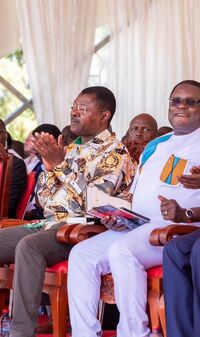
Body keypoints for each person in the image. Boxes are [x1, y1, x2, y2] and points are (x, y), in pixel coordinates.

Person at [0, 86, 136, 337]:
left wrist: (61, 165)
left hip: (83, 229)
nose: (74, 113)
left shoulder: (115, 153)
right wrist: (51, 166)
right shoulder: (71, 149)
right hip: (50, 223)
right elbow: (44, 200)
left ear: (105, 115)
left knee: (29, 247)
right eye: (73, 107)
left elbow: (96, 204)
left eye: (83, 109)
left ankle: (21, 332)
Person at [67, 80, 200, 337]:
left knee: (122, 251)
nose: (181, 106)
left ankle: (135, 333)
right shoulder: (157, 144)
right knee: (82, 254)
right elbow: (135, 193)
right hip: (139, 225)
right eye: (176, 101)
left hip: (178, 229)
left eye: (191, 101)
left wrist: (185, 210)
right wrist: (117, 216)